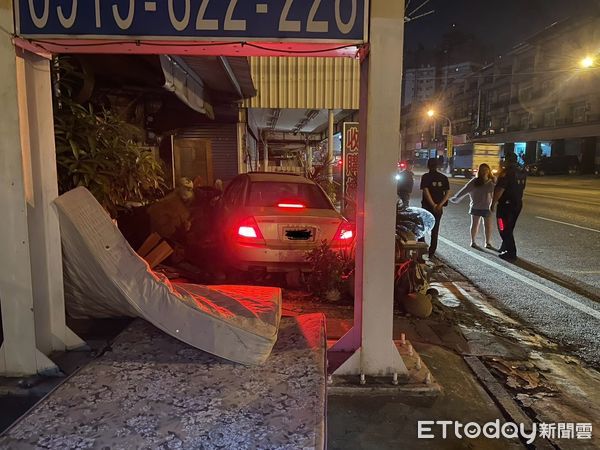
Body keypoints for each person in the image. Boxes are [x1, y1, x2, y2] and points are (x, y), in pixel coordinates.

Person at [450, 163, 496, 249]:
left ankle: (488, 242)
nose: (484, 172)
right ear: (479, 171)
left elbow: (495, 193)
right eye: (482, 170)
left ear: (489, 171)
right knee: (475, 224)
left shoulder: (491, 182)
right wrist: (456, 197)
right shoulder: (474, 181)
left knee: (488, 225)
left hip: (487, 207)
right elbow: (465, 190)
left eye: (486, 170)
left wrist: (494, 204)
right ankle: (473, 241)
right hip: (476, 206)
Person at [491, 152, 527, 261]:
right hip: (517, 204)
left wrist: (492, 203)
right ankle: (505, 247)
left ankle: (511, 253)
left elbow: (499, 189)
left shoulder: (506, 173)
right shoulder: (522, 171)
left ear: (507, 160)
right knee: (509, 228)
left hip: (505, 205)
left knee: (503, 228)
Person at [419, 157, 450, 258]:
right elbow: (447, 193)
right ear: (438, 166)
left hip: (427, 207)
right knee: (435, 230)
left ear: (428, 166)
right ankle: (432, 252)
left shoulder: (425, 177)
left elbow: (426, 191)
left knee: (422, 227)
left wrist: (432, 204)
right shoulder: (444, 178)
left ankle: (421, 250)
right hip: (438, 208)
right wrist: (439, 205)